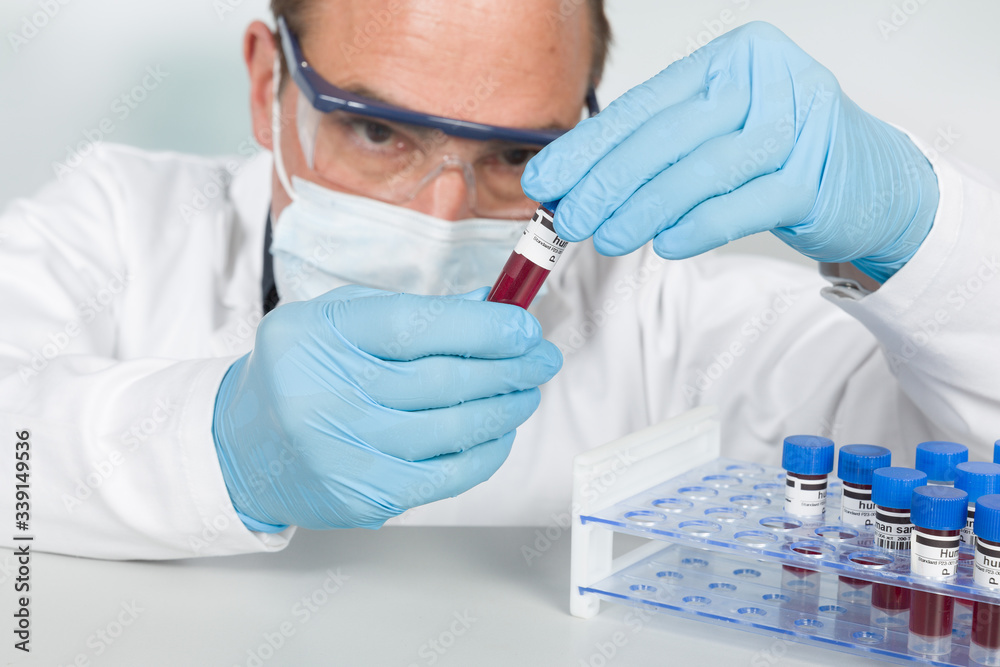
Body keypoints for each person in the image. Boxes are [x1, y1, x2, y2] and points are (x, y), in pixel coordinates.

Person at [0, 0, 997, 560]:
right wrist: (216, 445)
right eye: (378, 130)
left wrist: (920, 232)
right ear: (269, 84)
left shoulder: (663, 314)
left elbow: (967, 488)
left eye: (515, 154)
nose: (440, 221)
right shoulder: (120, 223)